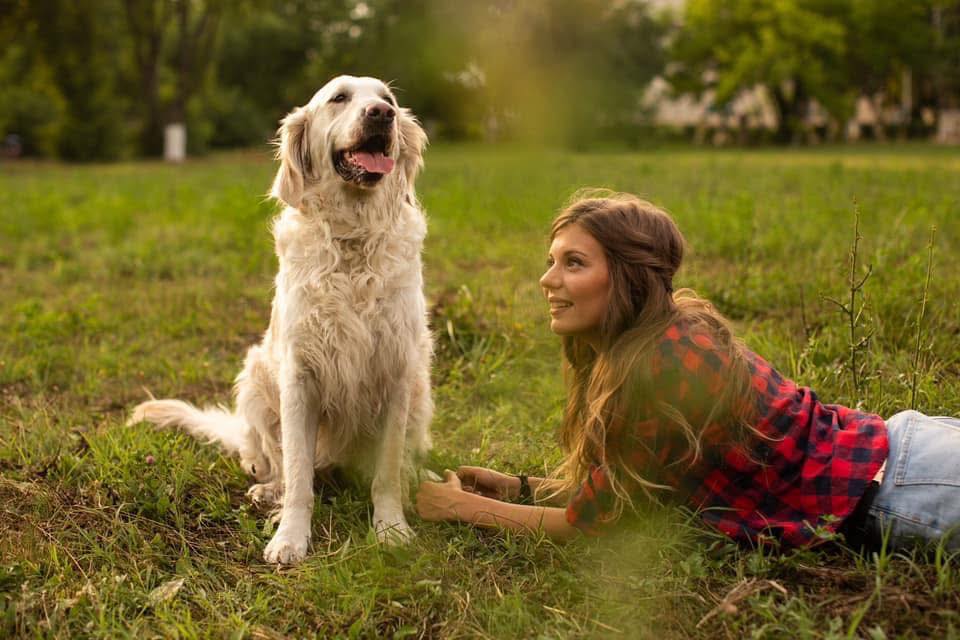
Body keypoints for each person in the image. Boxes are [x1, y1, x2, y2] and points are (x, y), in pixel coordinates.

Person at [416, 191, 960, 551]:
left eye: (574, 263)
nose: (547, 279)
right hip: (902, 457)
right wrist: (516, 487)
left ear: (628, 276)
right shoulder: (655, 342)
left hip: (907, 489)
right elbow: (625, 495)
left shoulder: (665, 361)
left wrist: (461, 507)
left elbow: (590, 528)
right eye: (551, 261)